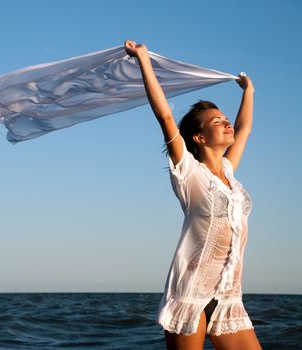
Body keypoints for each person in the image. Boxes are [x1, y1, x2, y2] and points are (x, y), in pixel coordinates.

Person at [124, 40, 262, 350]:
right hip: (190, 293)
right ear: (198, 137)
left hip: (228, 295)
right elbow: (166, 118)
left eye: (225, 118)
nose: (226, 123)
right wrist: (143, 60)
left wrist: (248, 91)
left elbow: (245, 128)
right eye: (217, 121)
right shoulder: (189, 173)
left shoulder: (228, 171)